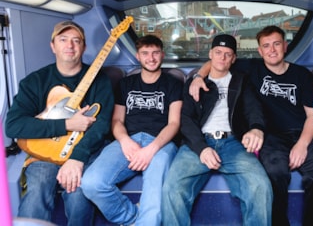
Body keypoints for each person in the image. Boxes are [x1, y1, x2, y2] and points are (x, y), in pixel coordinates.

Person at [189, 26, 313, 226]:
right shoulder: (251, 68)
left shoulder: (301, 74)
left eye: (277, 44)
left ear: (285, 46)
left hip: (303, 134)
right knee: (275, 172)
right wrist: (198, 77)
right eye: (266, 46)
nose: (272, 50)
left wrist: (302, 145)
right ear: (260, 51)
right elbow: (218, 60)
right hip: (269, 136)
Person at [5, 21, 114, 226]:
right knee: (37, 187)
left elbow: (102, 125)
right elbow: (13, 126)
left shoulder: (100, 81)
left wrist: (77, 158)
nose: (70, 45)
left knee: (78, 193)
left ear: (84, 47)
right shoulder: (35, 81)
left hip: (86, 151)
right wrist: (67, 124)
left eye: (76, 41)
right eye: (63, 40)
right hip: (45, 152)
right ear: (53, 46)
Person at [162, 34, 272, 226]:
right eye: (218, 52)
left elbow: (253, 109)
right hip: (198, 143)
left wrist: (256, 129)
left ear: (234, 59)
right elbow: (186, 120)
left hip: (233, 143)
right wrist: (201, 148)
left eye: (228, 54)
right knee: (172, 188)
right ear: (210, 54)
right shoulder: (194, 84)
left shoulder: (241, 81)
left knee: (260, 186)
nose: (222, 57)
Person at [81, 35, 183, 226]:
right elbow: (117, 120)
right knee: (91, 183)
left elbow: (174, 124)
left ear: (162, 55)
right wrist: (125, 141)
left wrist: (150, 150)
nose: (150, 58)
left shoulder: (174, 84)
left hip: (161, 143)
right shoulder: (126, 84)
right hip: (127, 140)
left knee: (154, 192)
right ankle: (132, 218)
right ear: (138, 56)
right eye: (145, 53)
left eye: (155, 53)